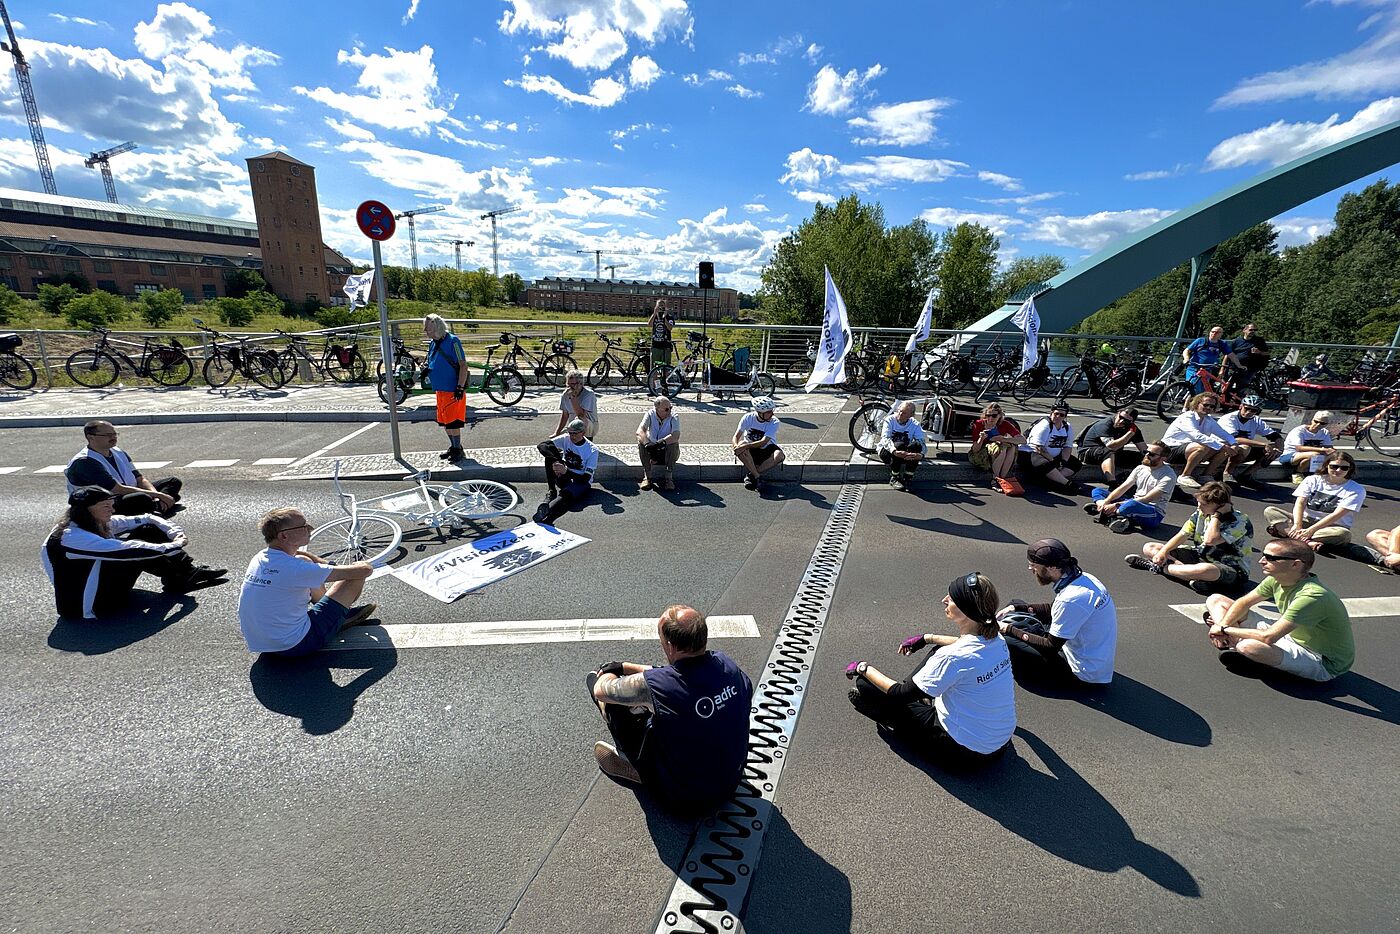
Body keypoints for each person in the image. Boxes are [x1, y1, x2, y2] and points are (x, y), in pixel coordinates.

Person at [587, 605, 753, 817]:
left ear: (670, 645)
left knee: (612, 699)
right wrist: (624, 666)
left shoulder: (661, 685)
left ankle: (636, 766)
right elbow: (670, 674)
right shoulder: (726, 665)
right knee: (670, 709)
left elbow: (601, 689)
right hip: (730, 783)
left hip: (682, 802)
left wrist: (607, 672)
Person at [844, 573, 1014, 767]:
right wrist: (927, 638)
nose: (944, 600)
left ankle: (893, 715)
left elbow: (899, 693)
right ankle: (920, 695)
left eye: (951, 598)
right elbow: (962, 646)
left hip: (964, 756)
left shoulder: (953, 657)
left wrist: (862, 668)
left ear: (966, 611)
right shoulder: (997, 640)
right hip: (998, 746)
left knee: (865, 685)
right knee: (938, 651)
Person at [42, 486, 226, 620]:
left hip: (100, 587)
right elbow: (130, 551)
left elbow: (147, 518)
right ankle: (182, 577)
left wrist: (175, 533)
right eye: (106, 506)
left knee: (146, 529)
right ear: (87, 509)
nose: (112, 510)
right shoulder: (71, 536)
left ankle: (183, 575)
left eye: (111, 505)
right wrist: (173, 546)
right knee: (136, 549)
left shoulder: (91, 521)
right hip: (87, 606)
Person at [1204, 539, 1354, 682]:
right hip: (1289, 635)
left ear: (1295, 564)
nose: (1261, 561)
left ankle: (1243, 649)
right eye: (1263, 555)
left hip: (1320, 660)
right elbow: (1243, 602)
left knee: (1248, 646)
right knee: (1216, 600)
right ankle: (1237, 647)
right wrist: (1222, 625)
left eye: (1271, 558)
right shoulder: (1277, 578)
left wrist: (1224, 628)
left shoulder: (1312, 596)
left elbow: (1268, 637)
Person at [237, 507, 376, 657]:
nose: (310, 528)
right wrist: (341, 565)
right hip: (296, 645)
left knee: (305, 560)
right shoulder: (296, 569)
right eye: (303, 526)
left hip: (263, 643)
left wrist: (315, 562)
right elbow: (365, 570)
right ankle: (339, 619)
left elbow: (298, 560)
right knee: (355, 577)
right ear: (284, 536)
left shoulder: (260, 558)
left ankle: (328, 612)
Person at [997, 538, 1117, 686]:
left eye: (1033, 565)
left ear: (1052, 567)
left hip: (1081, 673)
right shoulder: (1084, 579)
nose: (1031, 569)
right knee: (1016, 603)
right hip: (1089, 656)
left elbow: (1049, 646)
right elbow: (1052, 610)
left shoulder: (1071, 599)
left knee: (1006, 639)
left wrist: (1009, 629)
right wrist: (1017, 608)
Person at [1125, 481, 1254, 595]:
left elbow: (1210, 540)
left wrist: (1217, 516)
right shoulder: (1201, 513)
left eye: (1203, 504)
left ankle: (1161, 568)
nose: (1199, 507)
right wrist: (1163, 552)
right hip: (1200, 556)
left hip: (1229, 569)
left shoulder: (1240, 521)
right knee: (1150, 547)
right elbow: (1182, 535)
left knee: (1205, 570)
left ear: (1219, 505)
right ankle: (1186, 574)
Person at [65, 420, 182, 516]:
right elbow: (117, 489)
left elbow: (139, 478)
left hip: (127, 492)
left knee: (173, 482)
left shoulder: (118, 451)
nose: (113, 437)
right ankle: (160, 506)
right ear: (91, 437)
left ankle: (157, 507)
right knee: (142, 498)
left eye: (114, 434)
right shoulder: (85, 461)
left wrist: (155, 495)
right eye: (107, 435)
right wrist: (160, 495)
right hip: (102, 503)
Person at [1264, 451, 1366, 552]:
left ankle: (1287, 533)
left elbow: (1337, 515)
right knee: (1271, 511)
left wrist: (1311, 530)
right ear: (1326, 465)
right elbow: (1300, 503)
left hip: (1330, 526)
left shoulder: (1356, 489)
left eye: (1344, 468)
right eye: (1334, 466)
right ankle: (1308, 542)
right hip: (1306, 520)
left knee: (1343, 535)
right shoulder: (1312, 480)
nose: (1338, 470)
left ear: (1350, 469)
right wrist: (1297, 525)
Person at [1085, 442, 1176, 533]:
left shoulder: (1168, 476)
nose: (1147, 455)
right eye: (1146, 452)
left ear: (1163, 458)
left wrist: (1116, 505)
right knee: (1098, 491)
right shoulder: (1141, 468)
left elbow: (1146, 499)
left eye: (1151, 454)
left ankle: (1106, 512)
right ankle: (1107, 510)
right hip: (1133, 501)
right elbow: (1123, 488)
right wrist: (1107, 501)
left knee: (1131, 505)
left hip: (1153, 512)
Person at [1161, 392, 1239, 492]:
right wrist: (1222, 446)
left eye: (1212, 406)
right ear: (1197, 403)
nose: (1208, 408)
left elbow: (1223, 433)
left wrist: (1234, 444)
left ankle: (1206, 475)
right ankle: (1185, 476)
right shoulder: (1187, 417)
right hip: (1170, 450)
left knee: (1224, 447)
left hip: (1189, 450)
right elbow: (1197, 436)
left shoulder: (1208, 420)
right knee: (1204, 446)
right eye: (1205, 405)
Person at [534, 417, 599, 524]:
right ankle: (551, 490)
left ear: (582, 433)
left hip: (580, 480)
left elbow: (585, 478)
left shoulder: (592, 450)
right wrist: (556, 461)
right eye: (570, 433)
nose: (571, 436)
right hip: (565, 474)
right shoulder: (566, 438)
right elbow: (542, 445)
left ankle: (548, 510)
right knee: (548, 458)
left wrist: (566, 472)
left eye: (574, 433)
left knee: (566, 496)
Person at [424, 314, 469, 463]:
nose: (425, 331)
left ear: (437, 328)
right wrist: (427, 368)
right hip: (440, 389)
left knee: (453, 421)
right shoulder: (433, 342)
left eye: (428, 329)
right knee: (445, 421)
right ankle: (454, 446)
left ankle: (458, 449)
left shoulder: (453, 341)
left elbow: (463, 364)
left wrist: (459, 387)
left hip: (452, 389)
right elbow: (432, 360)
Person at [1218, 395, 1282, 484]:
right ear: (1241, 406)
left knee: (1272, 450)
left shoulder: (1256, 420)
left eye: (1253, 410)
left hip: (1240, 451)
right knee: (1245, 447)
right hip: (1222, 450)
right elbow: (1235, 440)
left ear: (1258, 412)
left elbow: (1276, 436)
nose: (1248, 412)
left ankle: (1246, 476)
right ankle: (1227, 472)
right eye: (1246, 408)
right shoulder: (1229, 418)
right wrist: (1263, 444)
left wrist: (1279, 449)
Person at [1017, 402, 1080, 491]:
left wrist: (1063, 462)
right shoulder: (1045, 425)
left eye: (1061, 415)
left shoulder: (1067, 427)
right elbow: (1039, 448)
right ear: (1051, 413)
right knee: (1044, 464)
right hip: (1031, 453)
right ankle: (1066, 483)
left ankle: (1051, 480)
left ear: (1065, 417)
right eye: (1056, 413)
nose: (1058, 417)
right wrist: (1052, 461)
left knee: (1075, 463)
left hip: (1051, 456)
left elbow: (1067, 447)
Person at [968, 402, 1025, 495]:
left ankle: (1000, 479)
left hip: (999, 453)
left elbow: (1023, 440)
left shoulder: (1005, 424)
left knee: (1011, 447)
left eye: (994, 416)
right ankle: (996, 479)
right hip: (980, 455)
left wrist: (1003, 438)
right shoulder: (979, 424)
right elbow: (975, 450)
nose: (990, 418)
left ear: (1000, 416)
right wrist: (981, 438)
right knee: (1001, 447)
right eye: (988, 415)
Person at [1078, 408, 1147, 482]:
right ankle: (1112, 482)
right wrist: (1129, 435)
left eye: (1126, 421)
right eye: (1121, 417)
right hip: (1088, 453)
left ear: (1132, 422)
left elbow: (1144, 449)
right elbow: (1111, 446)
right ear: (1118, 413)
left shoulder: (1133, 430)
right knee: (1109, 452)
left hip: (1113, 455)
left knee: (1141, 458)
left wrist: (1154, 457)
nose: (1121, 421)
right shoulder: (1105, 424)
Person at [733, 396, 784, 491]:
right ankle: (758, 477)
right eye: (769, 412)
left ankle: (751, 475)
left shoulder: (774, 421)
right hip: (751, 448)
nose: (772, 414)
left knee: (779, 455)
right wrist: (736, 447)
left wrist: (744, 446)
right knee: (741, 444)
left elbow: (763, 442)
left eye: (772, 411)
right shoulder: (748, 417)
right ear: (760, 413)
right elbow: (736, 436)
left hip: (767, 447)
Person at [877, 401, 926, 490]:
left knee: (916, 445)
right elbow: (885, 438)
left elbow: (921, 441)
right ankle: (895, 477)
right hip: (888, 451)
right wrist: (894, 451)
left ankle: (908, 477)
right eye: (900, 411)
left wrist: (921, 454)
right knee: (899, 445)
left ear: (911, 415)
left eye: (904, 413)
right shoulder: (889, 420)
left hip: (904, 453)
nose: (900, 414)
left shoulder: (914, 424)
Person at [636, 395, 680, 491]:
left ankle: (669, 478)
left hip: (666, 450)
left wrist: (660, 443)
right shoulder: (650, 414)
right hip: (652, 451)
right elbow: (639, 431)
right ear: (657, 409)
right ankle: (647, 477)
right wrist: (648, 445)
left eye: (670, 408)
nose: (669, 411)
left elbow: (676, 435)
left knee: (673, 444)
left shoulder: (674, 416)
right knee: (641, 441)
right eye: (667, 409)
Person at [1279, 410, 1335, 480]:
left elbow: (1328, 447)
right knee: (1315, 454)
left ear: (1326, 424)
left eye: (1322, 423)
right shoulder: (1299, 431)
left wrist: (1331, 450)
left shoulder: (1324, 432)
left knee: (1333, 455)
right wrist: (1321, 449)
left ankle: (1315, 473)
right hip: (1291, 456)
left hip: (1310, 458)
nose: (1318, 425)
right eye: (1316, 421)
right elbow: (1299, 448)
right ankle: (1298, 473)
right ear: (1312, 420)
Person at [1181, 325, 1229, 394]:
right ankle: (1188, 403)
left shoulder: (1222, 344)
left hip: (1207, 370)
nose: (1214, 333)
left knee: (1203, 391)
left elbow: (1230, 354)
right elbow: (1187, 350)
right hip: (1194, 368)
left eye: (1217, 332)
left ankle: (1197, 404)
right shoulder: (1201, 341)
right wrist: (1186, 358)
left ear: (1221, 334)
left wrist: (1238, 365)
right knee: (1193, 387)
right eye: (1212, 332)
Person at [556, 370, 599, 440]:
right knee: (555, 442)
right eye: (568, 384)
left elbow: (581, 415)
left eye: (573, 384)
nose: (570, 387)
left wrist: (573, 398)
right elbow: (564, 415)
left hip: (589, 425)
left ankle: (582, 441)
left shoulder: (589, 394)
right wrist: (557, 432)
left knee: (579, 420)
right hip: (573, 427)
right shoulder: (566, 394)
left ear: (580, 384)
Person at [1229, 323, 1270, 389]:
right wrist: (1222, 369)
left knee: (1242, 387)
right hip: (1235, 367)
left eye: (1255, 330)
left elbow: (1267, 353)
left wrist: (1259, 352)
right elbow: (1228, 354)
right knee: (1228, 387)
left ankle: (1240, 398)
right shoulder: (1236, 341)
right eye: (1251, 330)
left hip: (1250, 368)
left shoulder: (1259, 341)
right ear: (1244, 330)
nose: (1253, 332)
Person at [646, 298, 675, 374]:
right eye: (659, 306)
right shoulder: (654, 316)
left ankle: (664, 384)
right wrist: (655, 313)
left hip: (666, 346)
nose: (661, 308)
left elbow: (670, 328)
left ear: (666, 307)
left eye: (663, 306)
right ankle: (655, 385)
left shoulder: (669, 317)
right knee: (654, 368)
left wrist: (664, 318)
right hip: (655, 345)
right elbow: (649, 325)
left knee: (666, 368)